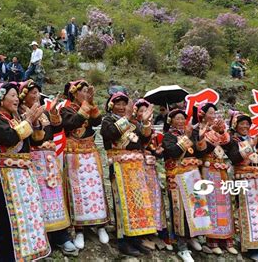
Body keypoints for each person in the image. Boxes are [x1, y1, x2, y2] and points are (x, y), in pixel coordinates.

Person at [0, 82, 51, 260]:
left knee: (26, 217)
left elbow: (35, 142)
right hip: (4, 177)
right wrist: (28, 122)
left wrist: (35, 124)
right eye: (12, 95)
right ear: (1, 98)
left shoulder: (16, 119)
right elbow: (10, 137)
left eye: (16, 95)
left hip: (23, 176)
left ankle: (26, 254)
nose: (16, 99)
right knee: (7, 221)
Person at [18, 80, 77, 255]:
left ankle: (61, 236)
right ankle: (42, 238)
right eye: (32, 93)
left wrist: (53, 115)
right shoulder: (20, 114)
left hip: (49, 160)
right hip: (34, 160)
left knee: (56, 198)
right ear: (23, 97)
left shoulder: (43, 112)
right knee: (38, 200)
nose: (36, 96)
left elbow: (56, 131)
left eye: (37, 92)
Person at [101, 93, 157, 256]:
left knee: (137, 203)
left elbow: (144, 141)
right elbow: (110, 135)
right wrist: (125, 118)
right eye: (118, 104)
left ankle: (135, 238)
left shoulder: (134, 123)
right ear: (111, 106)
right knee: (121, 203)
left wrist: (145, 122)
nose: (121, 107)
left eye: (124, 104)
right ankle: (122, 240)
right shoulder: (108, 121)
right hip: (119, 167)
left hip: (136, 167)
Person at [222, 112, 258, 262]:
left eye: (247, 123)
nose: (245, 126)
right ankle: (250, 248)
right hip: (242, 179)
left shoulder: (253, 138)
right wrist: (251, 145)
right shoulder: (232, 140)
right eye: (242, 123)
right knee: (246, 214)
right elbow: (234, 158)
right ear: (235, 125)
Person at [60, 80, 110, 250]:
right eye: (83, 91)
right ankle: (80, 229)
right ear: (74, 93)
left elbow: (97, 122)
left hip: (90, 152)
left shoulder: (89, 105)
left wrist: (91, 103)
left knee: (95, 188)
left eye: (87, 91)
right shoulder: (65, 109)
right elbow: (71, 123)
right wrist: (86, 105)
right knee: (77, 191)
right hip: (73, 154)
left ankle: (101, 224)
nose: (85, 94)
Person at [162, 109, 213, 262]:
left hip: (193, 176)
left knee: (196, 208)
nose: (180, 121)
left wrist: (201, 138)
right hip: (177, 178)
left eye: (182, 119)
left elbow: (199, 154)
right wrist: (187, 137)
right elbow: (173, 152)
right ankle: (181, 246)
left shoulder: (191, 134)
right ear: (171, 121)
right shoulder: (168, 137)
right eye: (177, 119)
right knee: (180, 211)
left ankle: (193, 236)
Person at [192, 103, 237, 255]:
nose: (213, 115)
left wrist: (222, 130)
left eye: (214, 113)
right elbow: (201, 149)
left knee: (224, 203)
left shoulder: (217, 129)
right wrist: (211, 133)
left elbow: (228, 143)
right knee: (211, 203)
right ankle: (212, 240)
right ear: (203, 115)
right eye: (211, 113)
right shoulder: (198, 128)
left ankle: (227, 239)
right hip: (208, 168)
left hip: (221, 169)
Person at [133, 99, 171, 251]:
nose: (144, 114)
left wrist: (158, 152)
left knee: (155, 197)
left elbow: (155, 150)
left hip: (151, 167)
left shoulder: (153, 132)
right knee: (142, 199)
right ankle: (144, 231)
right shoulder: (134, 127)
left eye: (146, 111)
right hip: (137, 167)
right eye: (141, 111)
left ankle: (156, 229)